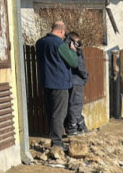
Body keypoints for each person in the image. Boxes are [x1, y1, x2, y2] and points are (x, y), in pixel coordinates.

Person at [35, 21, 78, 150]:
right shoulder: (60, 44)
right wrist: (73, 51)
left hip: (45, 82)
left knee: (50, 111)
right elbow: (73, 63)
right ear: (61, 31)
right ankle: (57, 142)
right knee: (59, 113)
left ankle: (53, 135)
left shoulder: (40, 43)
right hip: (60, 83)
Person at [65, 32, 89, 136]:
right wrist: (85, 76)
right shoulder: (72, 51)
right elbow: (80, 66)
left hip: (72, 81)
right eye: (77, 41)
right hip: (76, 81)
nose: (79, 44)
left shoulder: (66, 49)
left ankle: (81, 126)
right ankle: (72, 129)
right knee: (76, 105)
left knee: (75, 105)